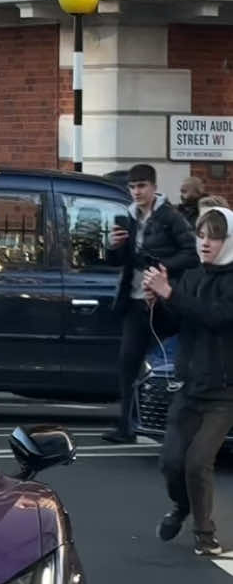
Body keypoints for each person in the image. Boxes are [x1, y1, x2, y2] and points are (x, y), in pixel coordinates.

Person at [144, 206, 233, 558]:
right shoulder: (192, 277)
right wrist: (156, 302)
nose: (205, 243)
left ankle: (204, 533)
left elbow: (216, 317)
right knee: (171, 462)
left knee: (198, 461)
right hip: (189, 386)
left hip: (225, 392)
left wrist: (170, 294)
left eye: (215, 236)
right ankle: (182, 507)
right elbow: (174, 325)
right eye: (201, 235)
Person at [102, 162, 196, 443]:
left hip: (163, 302)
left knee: (165, 366)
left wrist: (159, 265)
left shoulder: (170, 217)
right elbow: (119, 262)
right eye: (132, 187)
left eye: (141, 186)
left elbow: (191, 253)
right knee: (128, 362)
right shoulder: (128, 217)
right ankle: (126, 426)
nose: (136, 192)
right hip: (135, 301)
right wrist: (113, 247)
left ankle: (173, 423)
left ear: (154, 187)